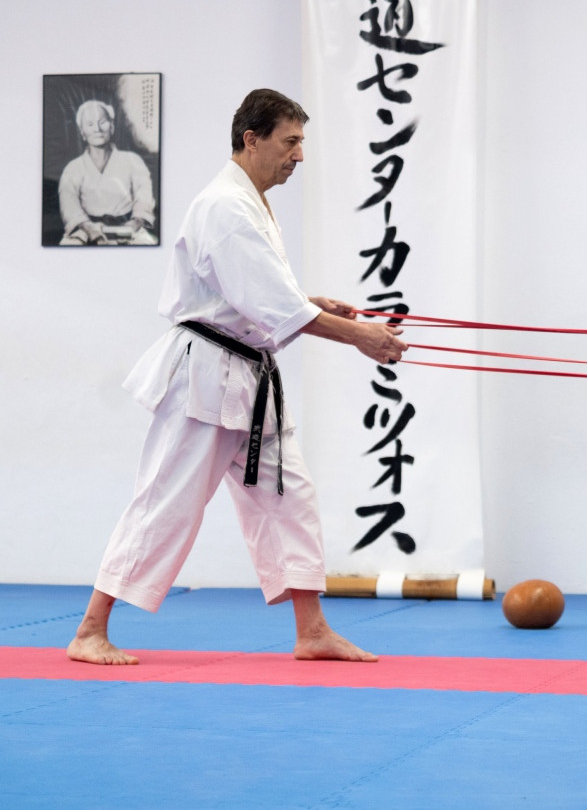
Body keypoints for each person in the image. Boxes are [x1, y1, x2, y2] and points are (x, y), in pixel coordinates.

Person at [68, 88, 409, 665]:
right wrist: (361, 338)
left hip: (250, 378)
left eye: (301, 143)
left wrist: (311, 300)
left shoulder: (247, 198)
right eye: (290, 142)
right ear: (252, 139)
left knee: (290, 498)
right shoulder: (225, 206)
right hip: (203, 379)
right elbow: (273, 307)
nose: (299, 156)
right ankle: (90, 631)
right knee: (166, 501)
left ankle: (312, 630)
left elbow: (256, 294)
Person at [58, 100, 158, 245]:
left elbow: (144, 197)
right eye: (90, 124)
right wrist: (87, 227)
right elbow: (69, 204)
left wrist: (135, 222)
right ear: (82, 132)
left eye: (102, 122)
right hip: (86, 229)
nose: (97, 129)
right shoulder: (73, 168)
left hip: (128, 228)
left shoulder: (133, 161)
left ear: (111, 127)